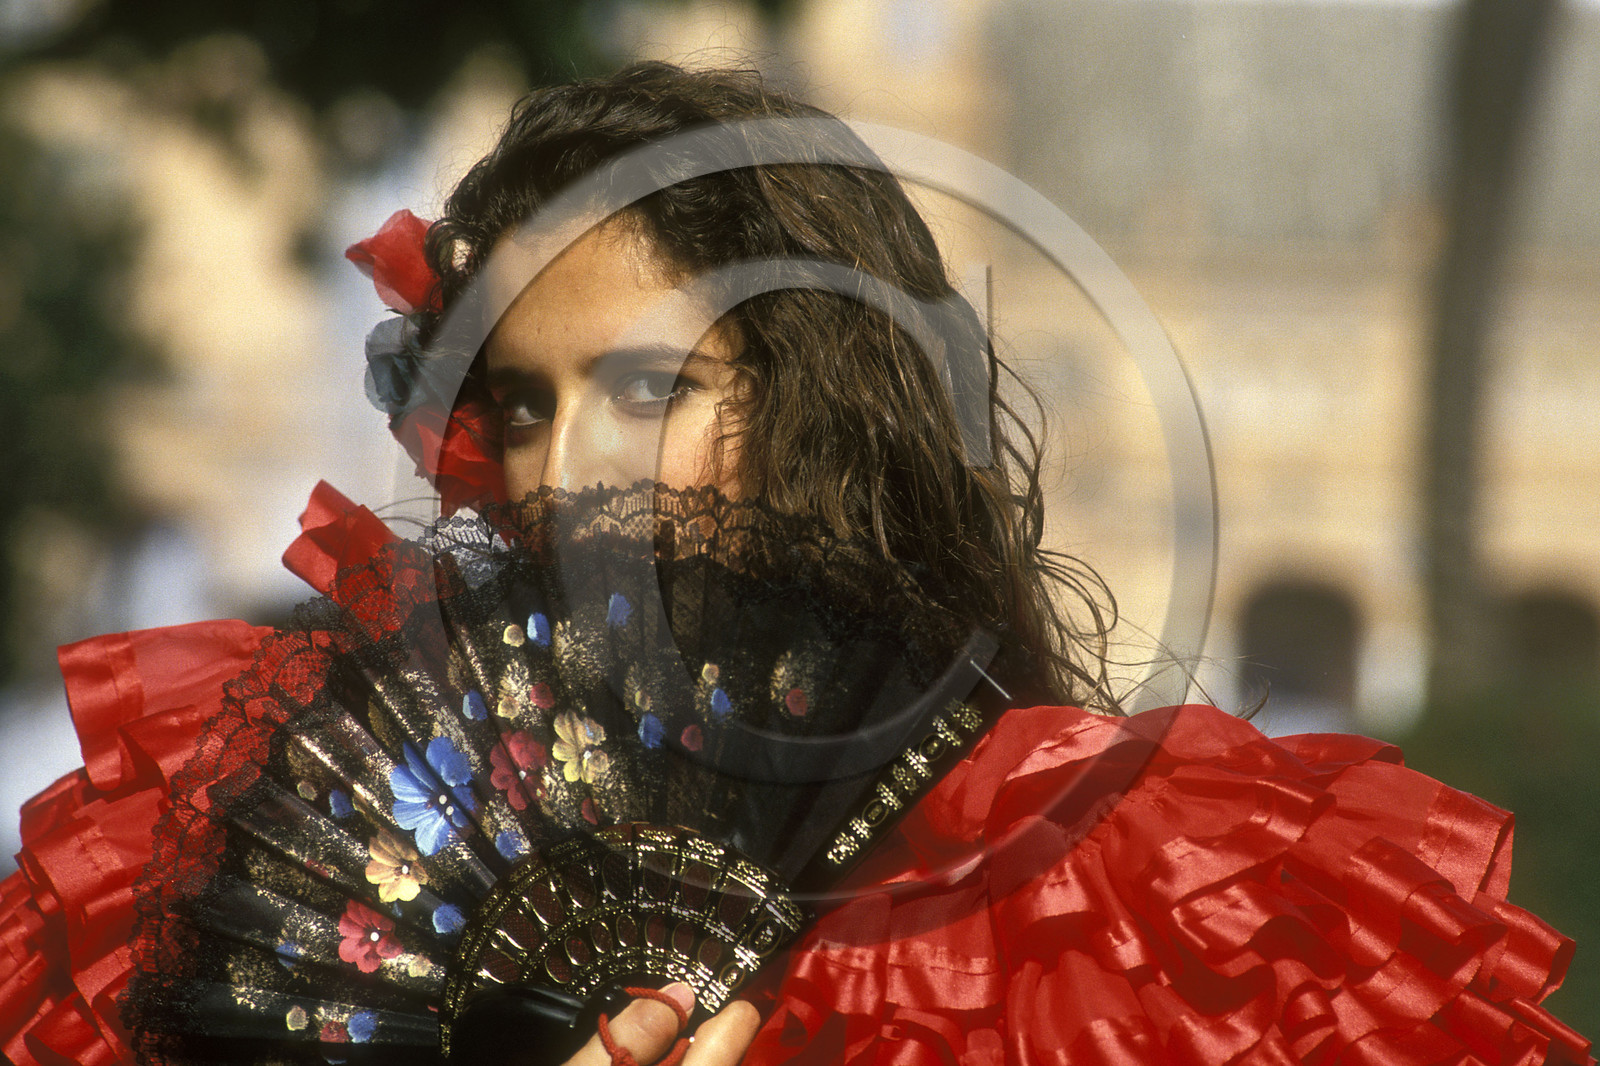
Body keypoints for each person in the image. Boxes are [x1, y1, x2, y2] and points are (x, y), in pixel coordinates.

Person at [0, 62, 1591, 1066]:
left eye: (648, 388)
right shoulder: (307, 838)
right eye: (521, 409)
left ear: (826, 398)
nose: (569, 474)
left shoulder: (1128, 892)